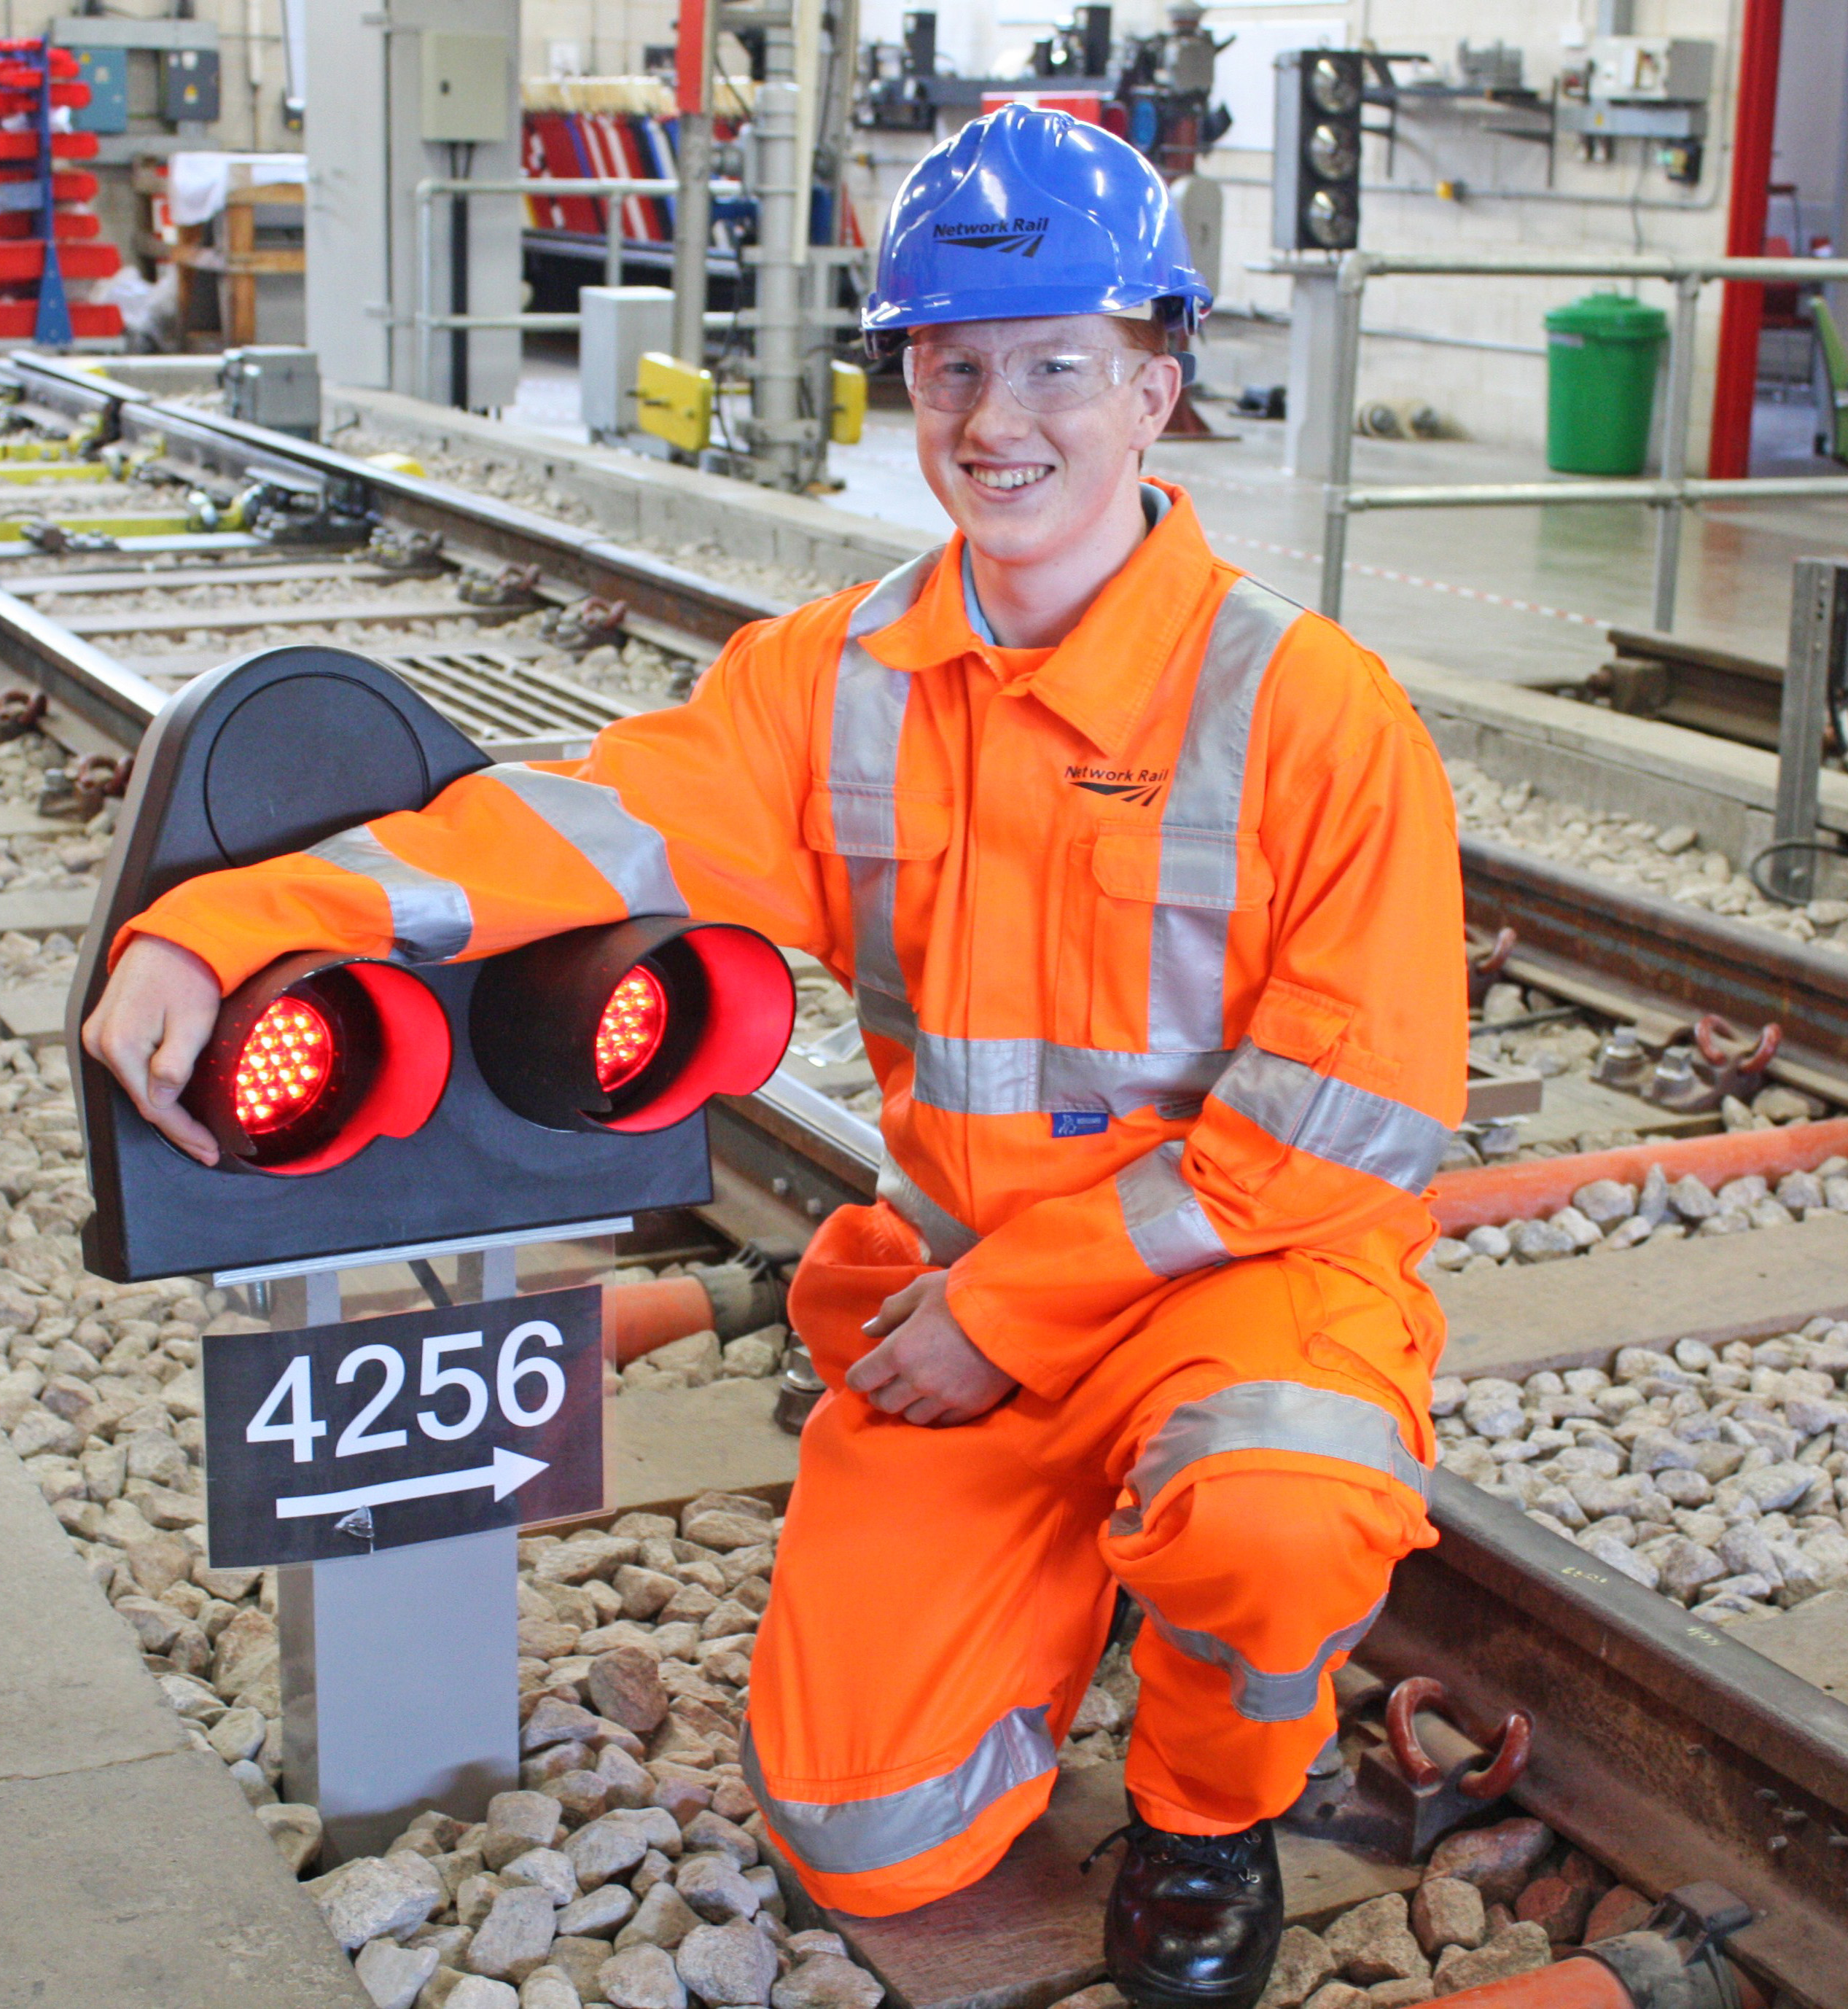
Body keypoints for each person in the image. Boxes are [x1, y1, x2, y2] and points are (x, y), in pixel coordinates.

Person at [84, 104, 1465, 2009]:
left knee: (1275, 1511)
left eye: (1056, 365)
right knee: (859, 1827)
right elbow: (566, 830)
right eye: (952, 366)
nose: (996, 420)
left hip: (1237, 1290)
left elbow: (1350, 1109)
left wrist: (1023, 1308)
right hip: (963, 1296)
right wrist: (223, 925)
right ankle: (1070, 1558)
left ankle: (1205, 1802)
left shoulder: (1312, 712)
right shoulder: (839, 686)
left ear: (1155, 386)